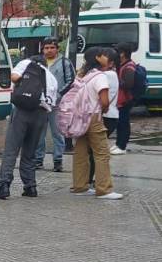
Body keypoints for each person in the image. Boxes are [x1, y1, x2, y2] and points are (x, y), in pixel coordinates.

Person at [0, 53, 58, 200]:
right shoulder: (51, 77)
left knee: (11, 150)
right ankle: (30, 187)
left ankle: (4, 185)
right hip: (41, 115)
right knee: (30, 152)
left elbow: (14, 77)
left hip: (22, 112)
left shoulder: (26, 64)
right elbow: (52, 103)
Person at [70, 48, 123, 200]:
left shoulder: (81, 75)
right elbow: (105, 101)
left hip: (80, 117)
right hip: (94, 116)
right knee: (102, 153)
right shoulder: (100, 76)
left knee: (80, 152)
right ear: (97, 58)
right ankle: (104, 189)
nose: (105, 57)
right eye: (102, 55)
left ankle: (80, 186)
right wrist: (102, 109)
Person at [33, 37, 74, 172]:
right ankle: (39, 160)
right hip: (40, 104)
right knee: (39, 133)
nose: (49, 50)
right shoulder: (37, 62)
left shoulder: (64, 62)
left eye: (52, 47)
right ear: (42, 49)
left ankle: (58, 160)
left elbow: (70, 81)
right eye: (46, 48)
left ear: (57, 49)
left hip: (57, 104)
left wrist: (58, 95)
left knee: (57, 133)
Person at [114, 42, 137, 155]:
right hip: (120, 99)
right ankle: (118, 143)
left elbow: (128, 84)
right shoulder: (121, 64)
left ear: (122, 53)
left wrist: (114, 79)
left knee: (123, 122)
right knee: (119, 123)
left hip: (126, 100)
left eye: (117, 51)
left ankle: (122, 146)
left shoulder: (129, 66)